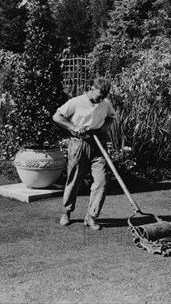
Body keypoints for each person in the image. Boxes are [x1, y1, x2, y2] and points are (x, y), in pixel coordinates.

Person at [53, 77, 117, 229]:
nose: (101, 98)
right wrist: (73, 127)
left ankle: (91, 216)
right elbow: (57, 116)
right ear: (91, 88)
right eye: (99, 95)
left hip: (98, 144)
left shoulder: (105, 103)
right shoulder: (76, 102)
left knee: (102, 181)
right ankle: (67, 212)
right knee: (74, 179)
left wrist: (104, 126)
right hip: (79, 143)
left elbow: (111, 117)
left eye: (104, 96)